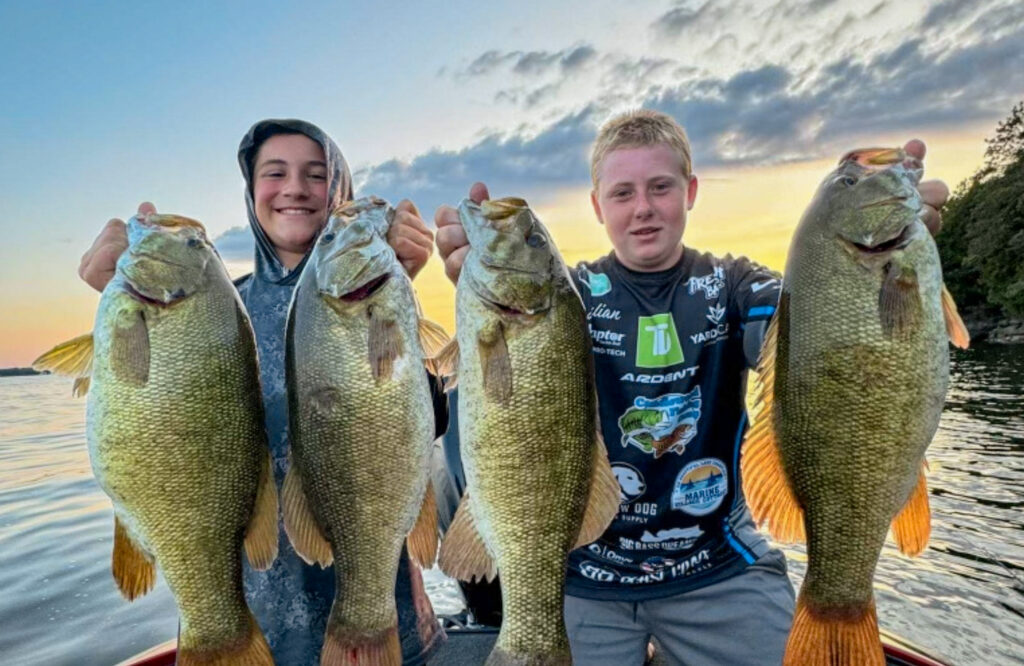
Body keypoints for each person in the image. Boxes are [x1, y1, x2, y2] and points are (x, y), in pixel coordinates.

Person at [433, 109, 950, 665]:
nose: (644, 208)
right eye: (623, 192)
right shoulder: (564, 298)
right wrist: (477, 281)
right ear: (596, 206)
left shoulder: (735, 284)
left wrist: (873, 265)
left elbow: (813, 329)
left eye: (661, 187)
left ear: (691, 191)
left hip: (716, 566)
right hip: (582, 570)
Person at [78, 118, 446, 665]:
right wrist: (115, 305)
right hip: (243, 611)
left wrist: (398, 294)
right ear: (252, 194)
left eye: (316, 174)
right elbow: (140, 420)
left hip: (378, 615)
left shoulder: (382, 296)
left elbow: (428, 418)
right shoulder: (212, 307)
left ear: (339, 191)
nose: (295, 187)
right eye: (274, 173)